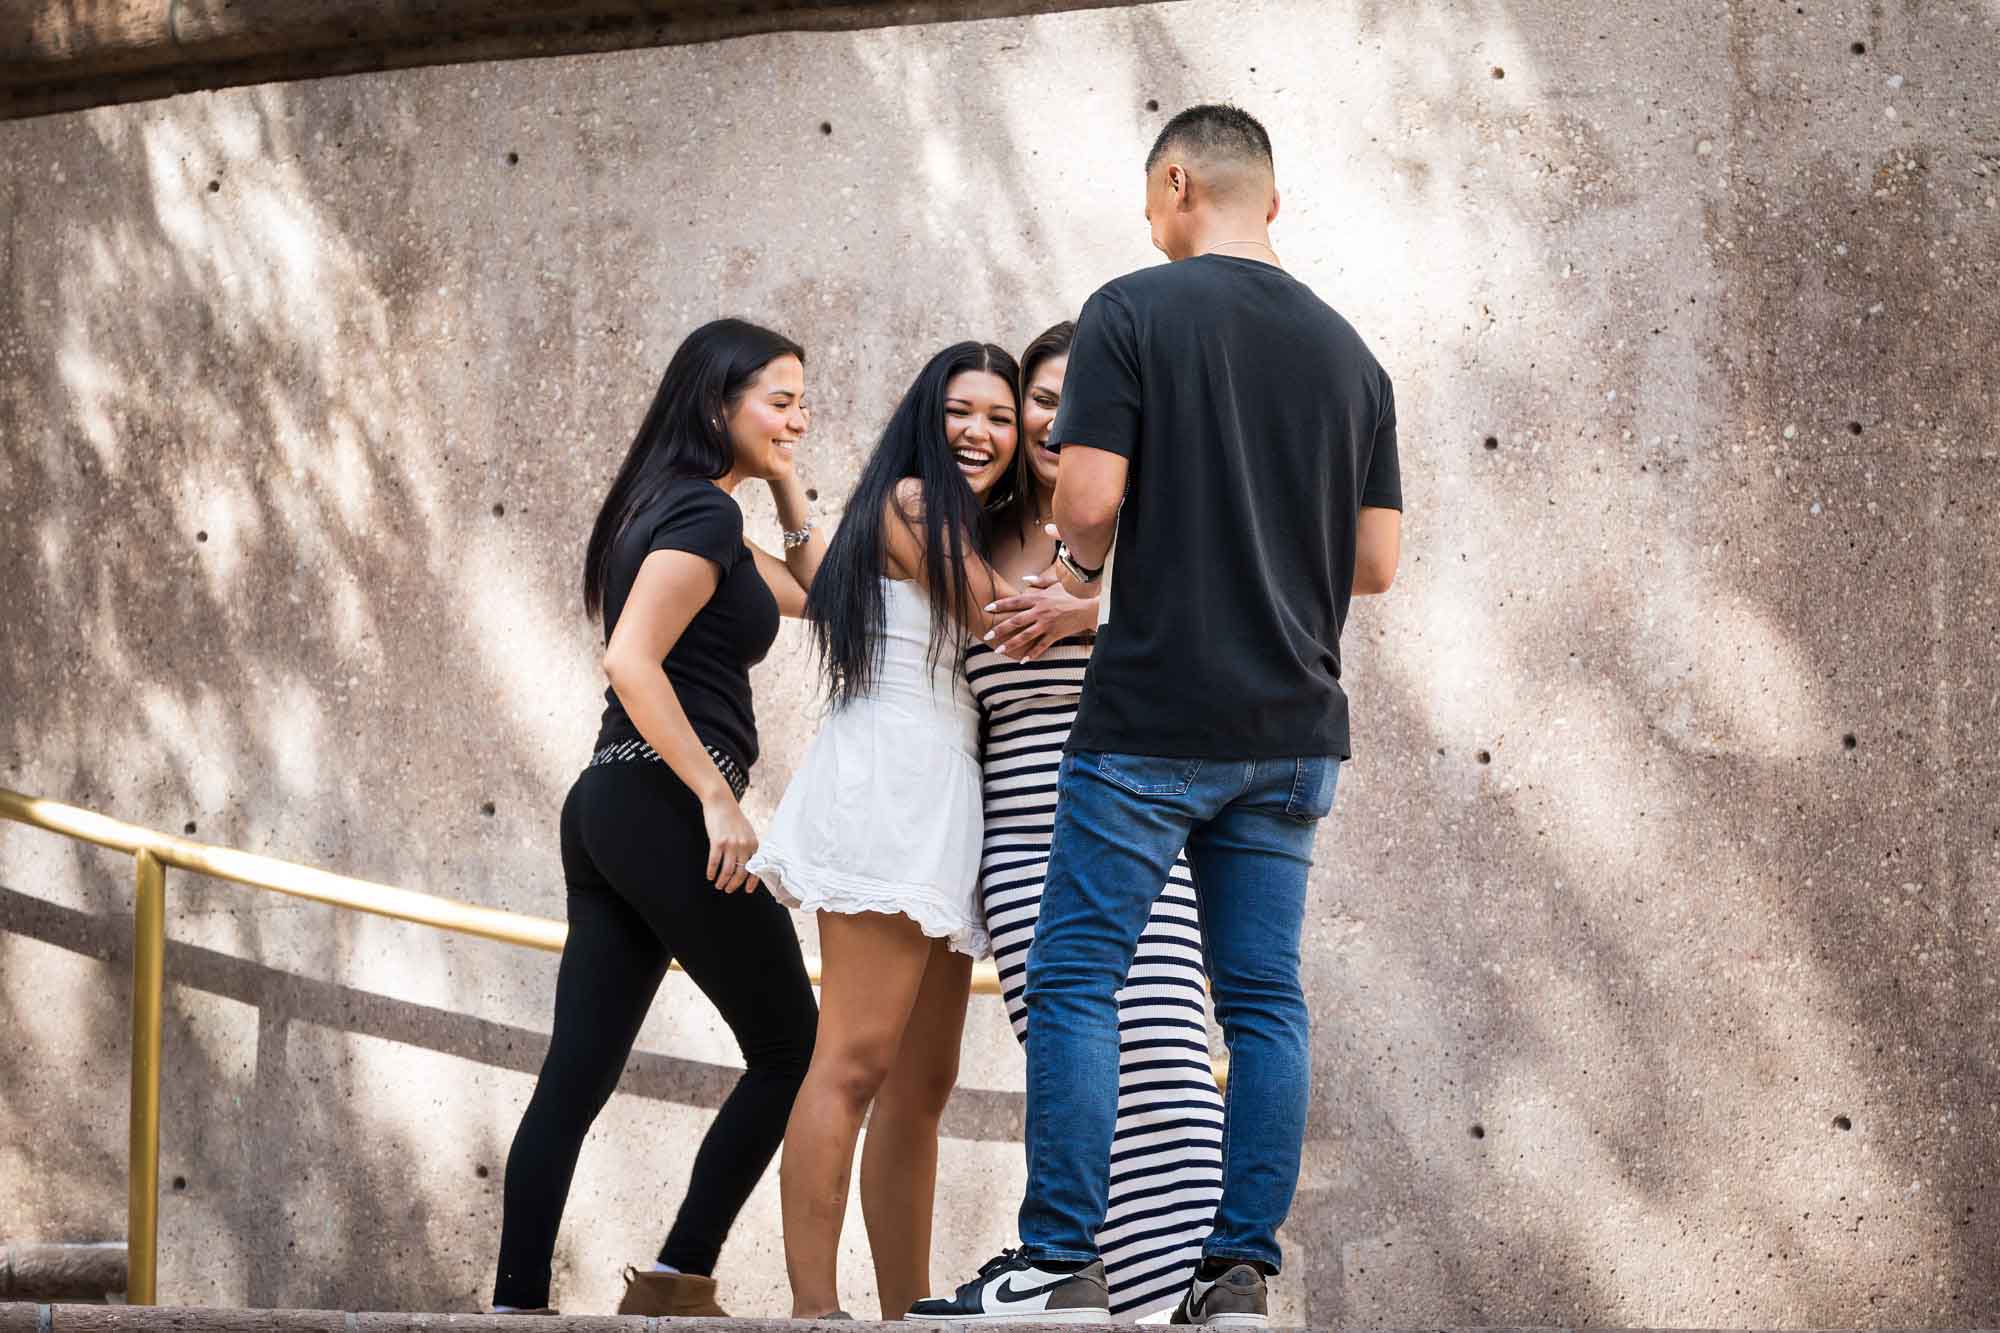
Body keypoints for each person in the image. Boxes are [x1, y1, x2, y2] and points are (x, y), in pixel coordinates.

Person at [915, 104, 1404, 1327]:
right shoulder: (1355, 358)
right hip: (1294, 729)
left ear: (1177, 182)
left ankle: (1057, 1260)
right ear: (1272, 199)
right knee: (1262, 1001)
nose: (1152, 223)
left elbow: (1083, 503)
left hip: (1150, 721)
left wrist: (1090, 573)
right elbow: (1377, 564)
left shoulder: (1133, 308)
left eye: (1151, 202)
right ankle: (1233, 1276)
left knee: (1076, 975)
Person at [491, 318, 827, 1318]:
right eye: (778, 398)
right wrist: (717, 800)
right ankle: (678, 1276)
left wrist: (777, 476)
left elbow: (816, 587)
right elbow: (630, 659)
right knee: (790, 1046)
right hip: (661, 801)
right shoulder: (699, 520)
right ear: (714, 400)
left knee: (576, 1074)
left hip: (612, 802)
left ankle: (514, 1306)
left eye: (803, 401)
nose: (798, 418)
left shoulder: (684, 510)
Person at [747, 342, 1026, 1320]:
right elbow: (991, 616)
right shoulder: (914, 500)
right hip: (892, 779)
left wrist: (788, 498)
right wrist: (1100, 593)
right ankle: (815, 1310)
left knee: (921, 1084)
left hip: (941, 792)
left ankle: (906, 1308)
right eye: (962, 410)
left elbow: (826, 582)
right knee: (855, 1061)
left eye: (999, 415)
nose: (981, 432)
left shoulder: (965, 520)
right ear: (926, 415)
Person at [965, 321, 1224, 1318]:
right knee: (1083, 1094)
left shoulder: (1153, 536)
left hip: (1138, 836)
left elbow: (1212, 657)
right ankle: (1092, 1297)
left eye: (1081, 398)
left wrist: (1095, 614)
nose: (1055, 416)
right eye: (1041, 395)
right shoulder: (975, 535)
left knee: (1171, 1081)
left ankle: (1155, 1308)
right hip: (1022, 856)